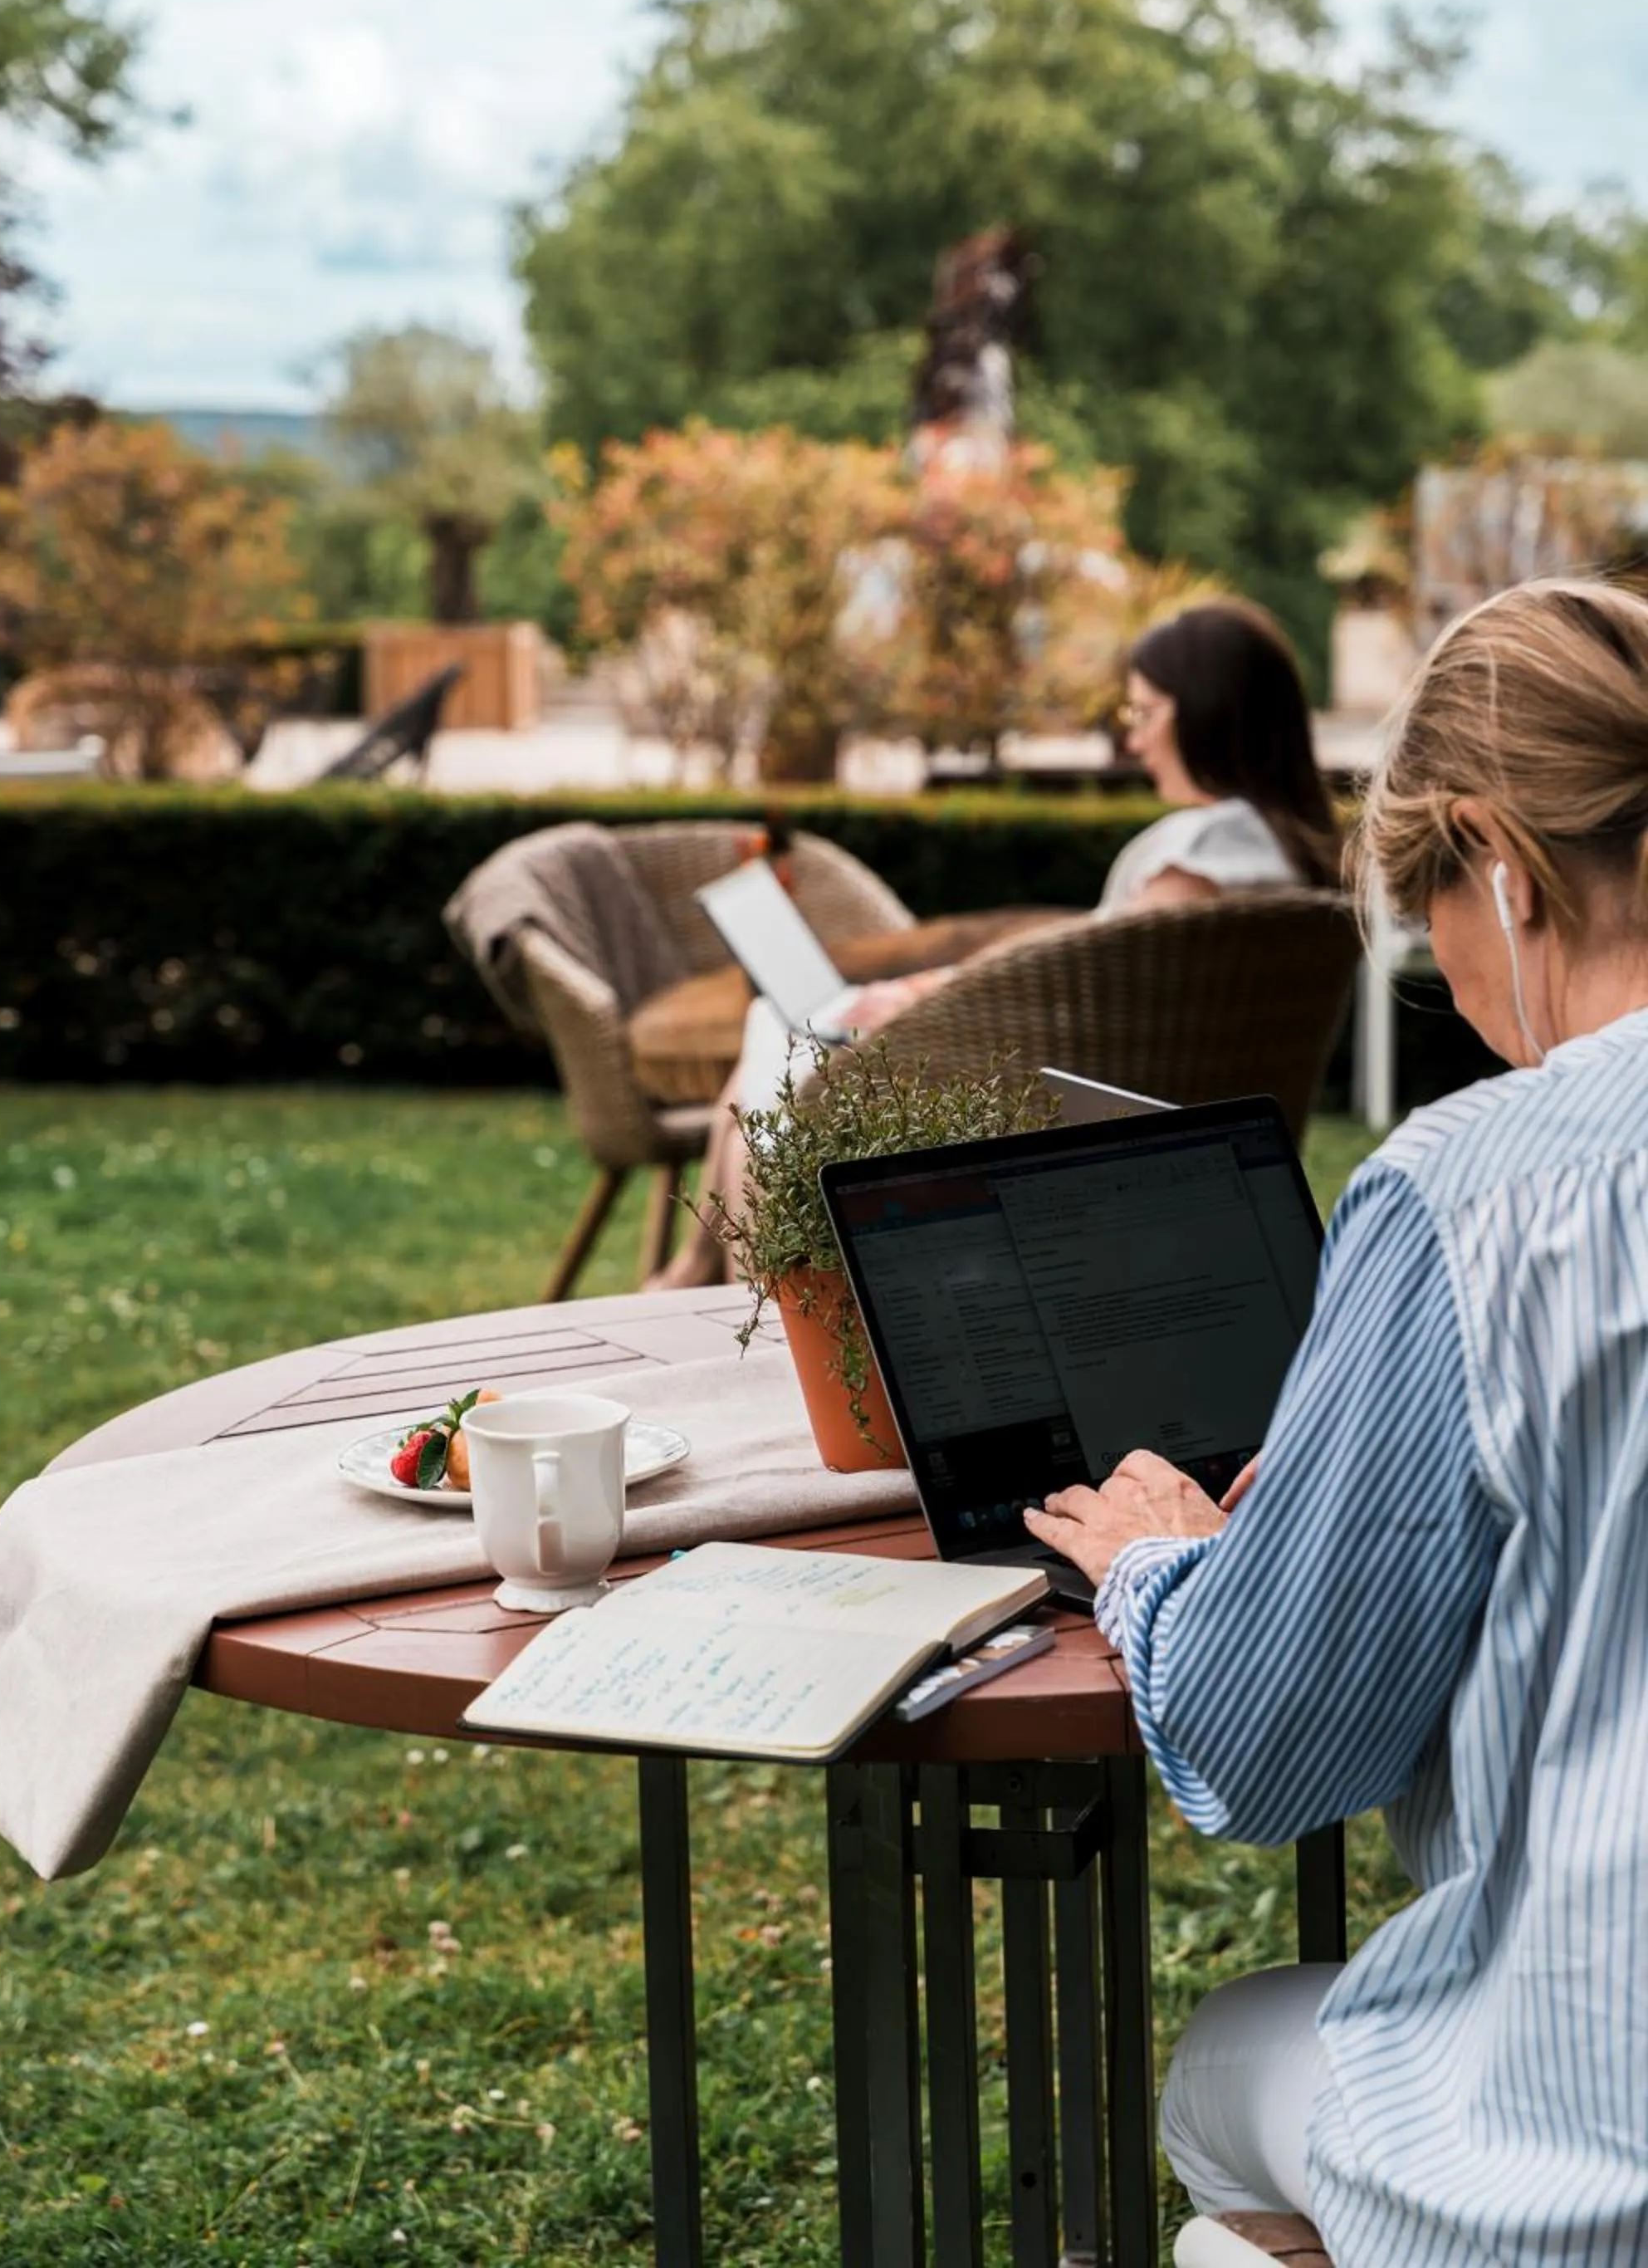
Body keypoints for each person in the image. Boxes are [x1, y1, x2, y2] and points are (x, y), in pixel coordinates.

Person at [1024, 576, 1648, 2265]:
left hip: (1590, 2145)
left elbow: (1272, 1738)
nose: (1449, 983)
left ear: (1494, 857)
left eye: (1431, 929)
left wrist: (1163, 1570)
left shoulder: (1475, 1193)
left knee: (1222, 2070)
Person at [650, 598, 1339, 1290]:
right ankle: (699, 1272)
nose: (1135, 742)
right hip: (1180, 1147)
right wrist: (939, 987)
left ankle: (729, 1301)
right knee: (776, 1053)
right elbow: (1095, 969)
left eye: (1145, 713)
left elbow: (1095, 1000)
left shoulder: (1206, 852)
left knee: (775, 1056)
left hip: (1055, 1133)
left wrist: (927, 1005)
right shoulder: (1288, 860)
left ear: (1209, 712)